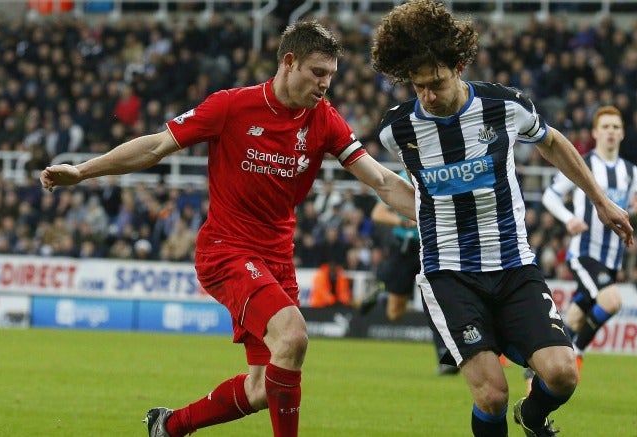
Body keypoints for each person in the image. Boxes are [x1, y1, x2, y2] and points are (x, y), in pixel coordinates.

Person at [40, 21, 416, 437]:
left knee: (261, 388)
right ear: (289, 63)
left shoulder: (324, 121)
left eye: (330, 75)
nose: (325, 84)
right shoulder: (231, 106)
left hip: (277, 258)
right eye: (317, 72)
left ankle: (169, 425)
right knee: (292, 337)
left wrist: (440, 217)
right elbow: (155, 145)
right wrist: (82, 170)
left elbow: (382, 181)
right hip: (227, 250)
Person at [370, 2, 634, 436]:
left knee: (563, 372)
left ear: (458, 67)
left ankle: (532, 417)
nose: (428, 96)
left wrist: (601, 200)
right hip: (450, 273)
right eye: (418, 87)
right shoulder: (397, 130)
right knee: (492, 394)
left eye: (435, 82)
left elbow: (552, 144)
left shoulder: (504, 105)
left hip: (513, 265)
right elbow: (395, 187)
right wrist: (423, 211)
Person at [538, 105, 637, 381]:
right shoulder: (582, 165)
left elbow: (636, 214)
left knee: (571, 321)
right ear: (596, 132)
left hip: (612, 257)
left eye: (616, 127)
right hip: (585, 251)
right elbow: (550, 196)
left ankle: (536, 366)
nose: (611, 132)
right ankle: (578, 350)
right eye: (606, 127)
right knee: (611, 301)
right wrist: (568, 219)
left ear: (622, 134)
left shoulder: (631, 172)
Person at [367, 170, 460, 375]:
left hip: (433, 248)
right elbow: (378, 213)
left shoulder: (441, 174)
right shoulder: (401, 176)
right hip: (405, 248)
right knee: (394, 312)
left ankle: (446, 357)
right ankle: (384, 294)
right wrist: (402, 221)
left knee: (436, 301)